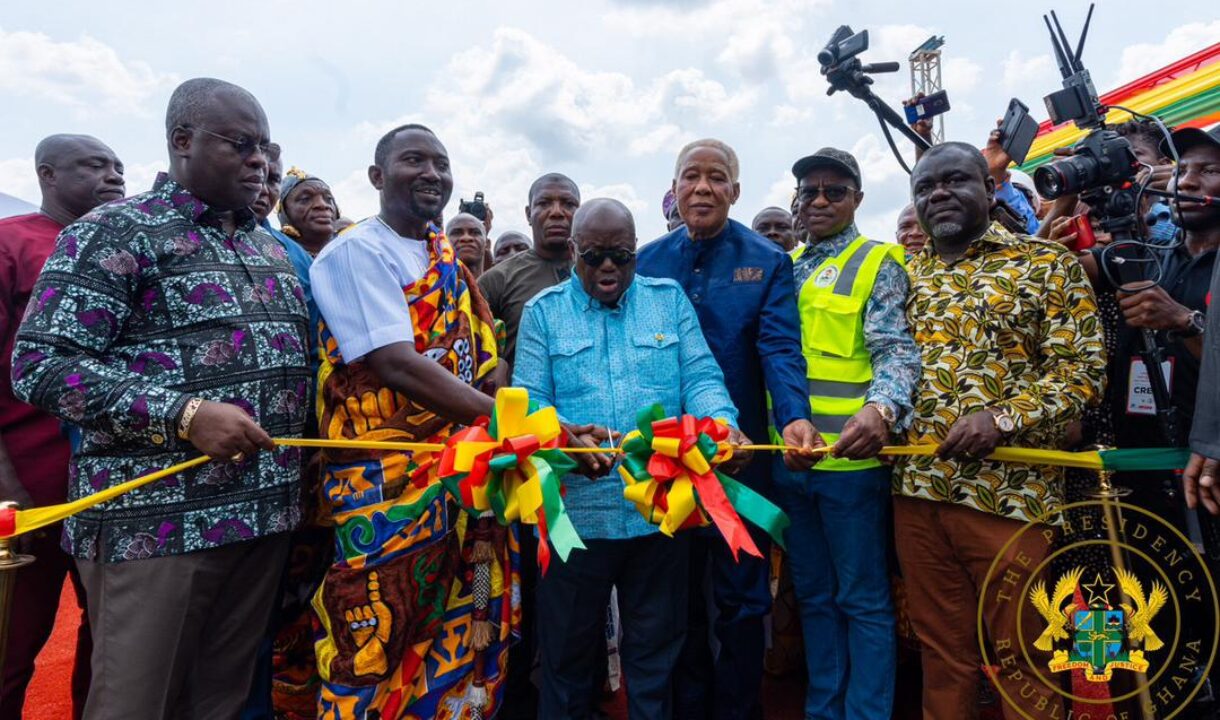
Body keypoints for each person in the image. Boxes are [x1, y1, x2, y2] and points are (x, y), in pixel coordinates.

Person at [12, 78, 309, 719]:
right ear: (183, 142)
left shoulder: (270, 249)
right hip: (156, 528)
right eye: (242, 145)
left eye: (266, 147)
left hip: (261, 520)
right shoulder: (116, 232)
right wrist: (185, 415)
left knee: (222, 703)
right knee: (137, 704)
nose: (260, 161)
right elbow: (41, 365)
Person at [307, 123, 517, 719]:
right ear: (377, 177)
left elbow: (486, 356)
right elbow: (394, 364)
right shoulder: (356, 252)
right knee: (376, 634)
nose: (432, 173)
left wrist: (496, 417)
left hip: (466, 472)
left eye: (442, 163)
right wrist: (513, 423)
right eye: (414, 160)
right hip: (385, 484)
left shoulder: (444, 257)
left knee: (468, 615)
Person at [897, 142, 1105, 719]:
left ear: (990, 191)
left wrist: (1002, 418)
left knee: (1027, 655)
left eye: (955, 180)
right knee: (941, 657)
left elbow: (1081, 373)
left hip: (1013, 498)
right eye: (924, 187)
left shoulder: (1045, 266)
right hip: (915, 496)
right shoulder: (899, 278)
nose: (937, 193)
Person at [514, 198, 744, 719]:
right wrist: (562, 434)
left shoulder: (669, 301)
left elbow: (702, 378)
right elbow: (527, 398)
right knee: (568, 661)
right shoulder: (543, 313)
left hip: (656, 520)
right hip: (575, 519)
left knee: (655, 659)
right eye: (595, 256)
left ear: (637, 249)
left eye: (622, 255)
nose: (609, 268)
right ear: (573, 251)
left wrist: (722, 425)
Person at [636, 137, 818, 720]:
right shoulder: (646, 261)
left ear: (735, 192)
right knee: (676, 599)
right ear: (675, 187)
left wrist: (794, 417)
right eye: (692, 176)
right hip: (664, 463)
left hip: (741, 463)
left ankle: (739, 708)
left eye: (718, 178)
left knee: (741, 601)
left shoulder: (767, 260)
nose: (703, 188)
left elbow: (781, 350)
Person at [781, 147, 920, 719]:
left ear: (857, 200)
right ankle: (824, 710)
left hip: (852, 469)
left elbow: (896, 350)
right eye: (808, 191)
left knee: (862, 601)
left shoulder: (879, 260)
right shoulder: (785, 265)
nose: (818, 200)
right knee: (813, 597)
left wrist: (883, 408)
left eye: (834, 191)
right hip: (791, 463)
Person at [0, 133, 123, 720]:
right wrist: (9, 493)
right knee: (12, 647)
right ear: (47, 174)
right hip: (30, 495)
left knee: (112, 654)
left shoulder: (125, 248)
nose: (114, 176)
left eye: (119, 166)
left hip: (114, 492)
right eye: (95, 165)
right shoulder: (11, 243)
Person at [1171, 129, 1220, 513]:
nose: (1186, 181)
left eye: (1209, 170)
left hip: (1209, 472)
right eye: (1181, 168)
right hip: (1147, 471)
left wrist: (1185, 322)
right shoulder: (1149, 256)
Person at [277, 167, 338, 257]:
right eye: (305, 199)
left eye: (329, 199)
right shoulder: (274, 253)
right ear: (285, 212)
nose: (322, 204)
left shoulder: (353, 246)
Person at [448, 211, 491, 278]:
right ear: (444, 242)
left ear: (487, 244)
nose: (466, 238)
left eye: (475, 233)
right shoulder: (432, 285)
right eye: (456, 233)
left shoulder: (499, 287)